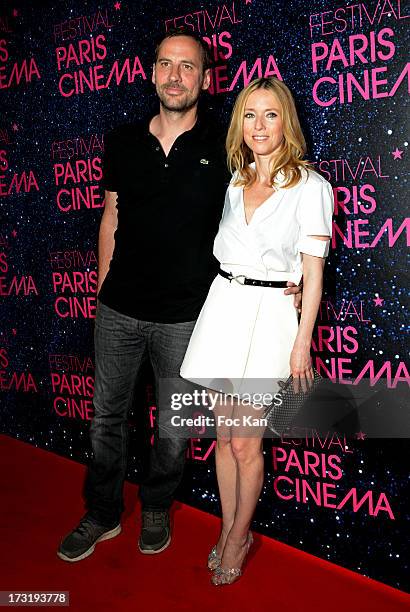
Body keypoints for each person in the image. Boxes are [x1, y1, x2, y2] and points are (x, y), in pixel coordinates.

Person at [57, 31, 301, 563]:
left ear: (205, 79)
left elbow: (268, 207)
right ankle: (101, 514)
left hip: (188, 317)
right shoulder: (122, 140)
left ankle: (156, 508)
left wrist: (296, 278)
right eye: (165, 64)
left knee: (174, 425)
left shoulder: (225, 145)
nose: (174, 75)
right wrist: (103, 289)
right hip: (119, 309)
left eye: (187, 67)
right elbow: (111, 216)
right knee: (105, 418)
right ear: (151, 73)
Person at [180, 77, 334, 585]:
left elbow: (311, 272)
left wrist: (301, 344)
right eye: (249, 115)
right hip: (224, 307)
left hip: (269, 317)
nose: (259, 126)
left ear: (286, 121)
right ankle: (228, 528)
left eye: (270, 115)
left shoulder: (311, 186)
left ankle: (240, 536)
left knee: (247, 443)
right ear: (239, 124)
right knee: (224, 439)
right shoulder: (235, 179)